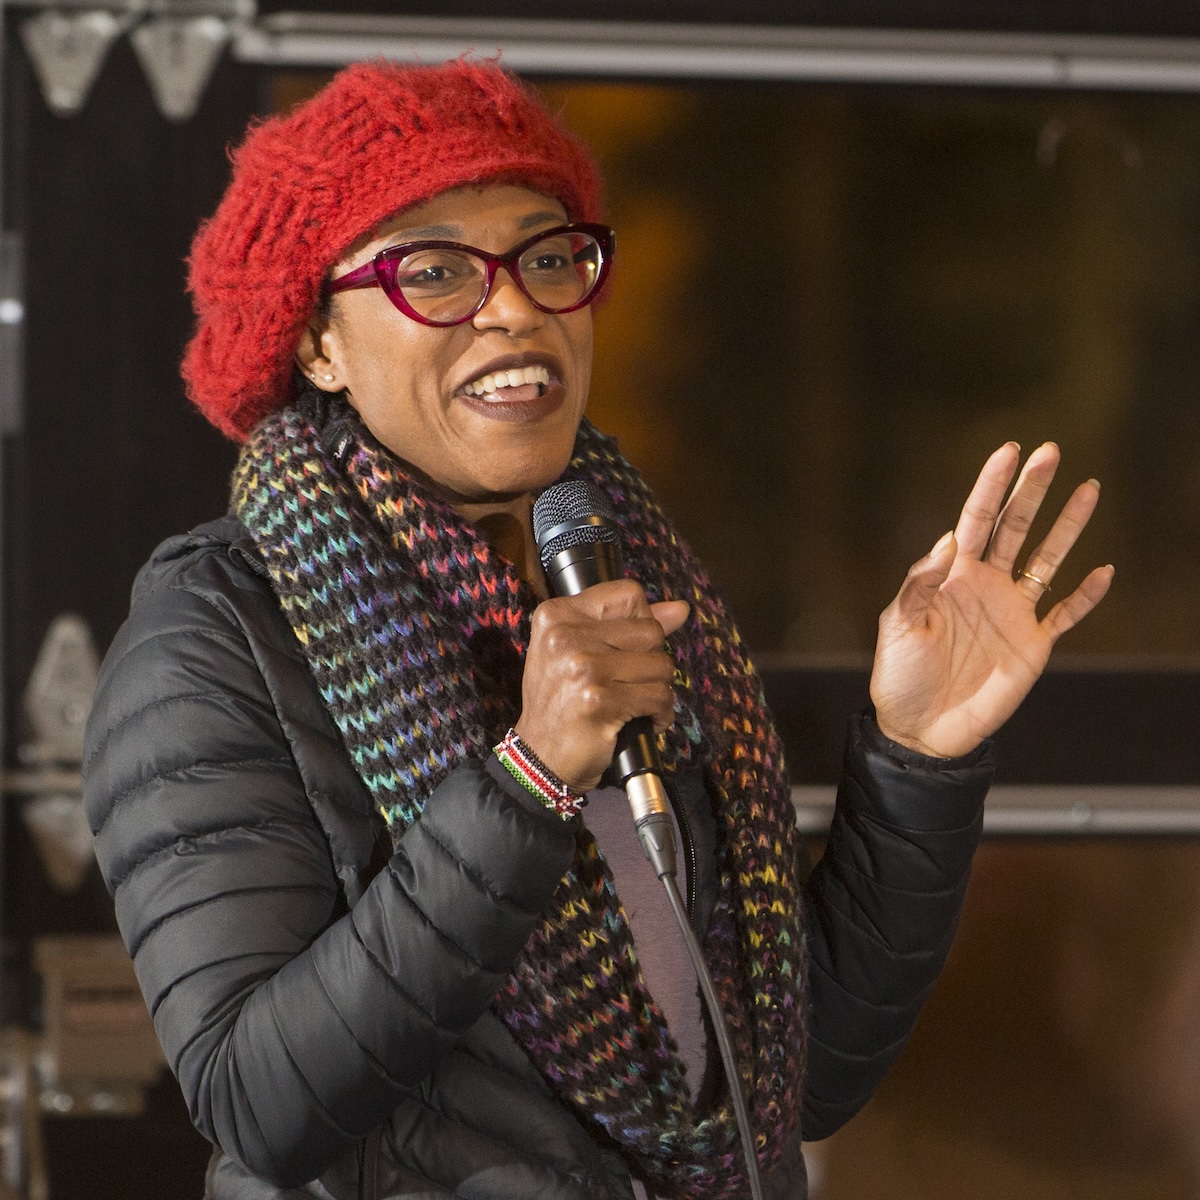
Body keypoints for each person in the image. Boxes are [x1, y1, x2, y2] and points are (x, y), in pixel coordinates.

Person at [82, 60, 1111, 1200]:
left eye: (548, 257)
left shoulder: (626, 574)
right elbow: (260, 1105)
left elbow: (791, 1078)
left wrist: (918, 755)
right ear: (318, 342)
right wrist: (526, 783)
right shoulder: (214, 640)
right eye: (434, 272)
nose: (516, 307)